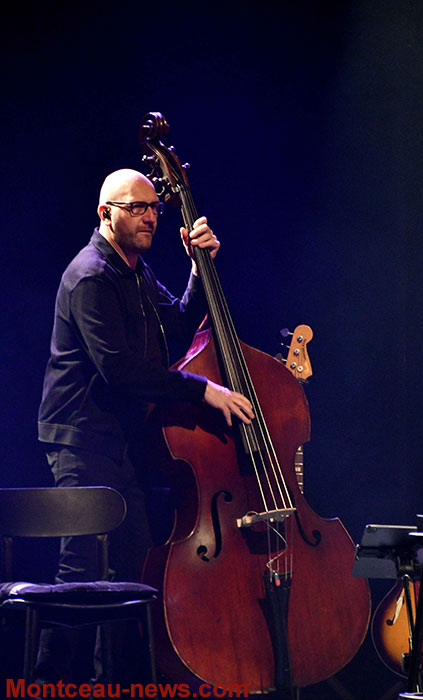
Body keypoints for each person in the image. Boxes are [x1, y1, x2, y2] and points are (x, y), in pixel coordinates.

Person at [36, 168, 254, 682]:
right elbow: (122, 370)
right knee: (80, 570)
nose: (151, 216)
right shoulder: (91, 275)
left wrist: (200, 269)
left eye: (155, 207)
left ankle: (109, 683)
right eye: (137, 207)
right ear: (105, 213)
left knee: (130, 567)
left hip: (120, 441)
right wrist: (204, 389)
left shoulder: (135, 272)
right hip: (81, 438)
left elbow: (176, 329)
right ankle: (44, 685)